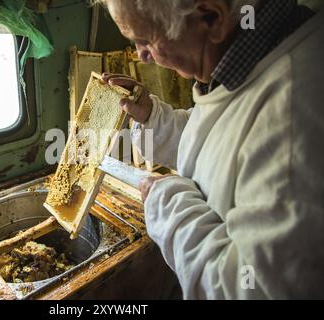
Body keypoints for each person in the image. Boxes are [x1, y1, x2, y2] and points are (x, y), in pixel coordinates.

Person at [97, 0, 324, 299]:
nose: (142, 56)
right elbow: (220, 139)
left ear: (211, 18)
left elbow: (249, 290)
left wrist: (169, 207)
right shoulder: (249, 59)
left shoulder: (294, 116)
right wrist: (152, 116)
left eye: (145, 40)